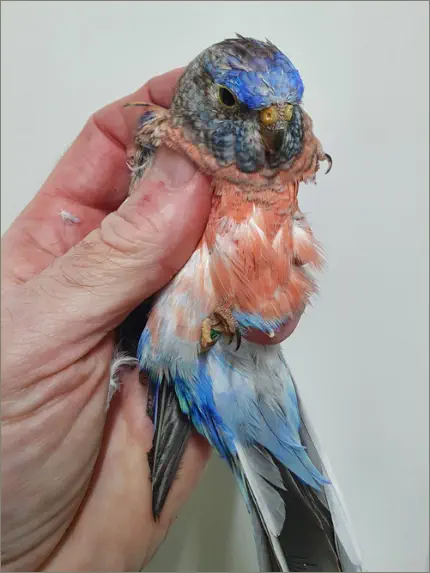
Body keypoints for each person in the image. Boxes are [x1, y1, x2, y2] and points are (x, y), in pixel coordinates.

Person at [1, 68, 302, 572]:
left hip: (209, 335)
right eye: (231, 100)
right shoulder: (163, 148)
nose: (269, 128)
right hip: (175, 331)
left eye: (284, 117)